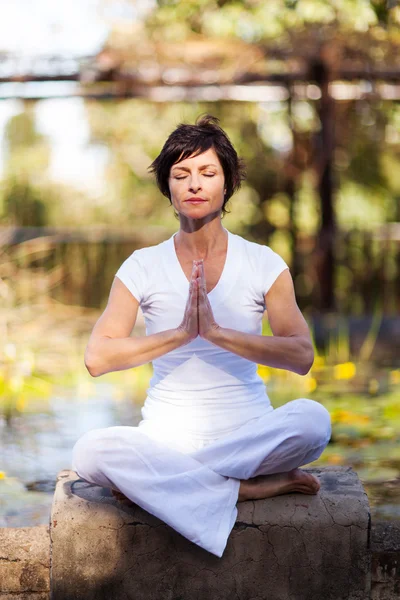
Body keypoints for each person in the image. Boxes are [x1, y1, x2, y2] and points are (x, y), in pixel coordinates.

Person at [71, 114, 331, 558]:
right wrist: (179, 334)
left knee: (314, 421)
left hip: (248, 433)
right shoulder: (142, 266)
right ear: (168, 189)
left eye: (208, 173)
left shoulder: (263, 263)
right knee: (89, 451)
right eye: (181, 174)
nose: (194, 184)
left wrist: (216, 333)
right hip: (165, 436)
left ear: (226, 184)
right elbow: (98, 358)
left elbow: (301, 355)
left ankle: (169, 485)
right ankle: (245, 489)